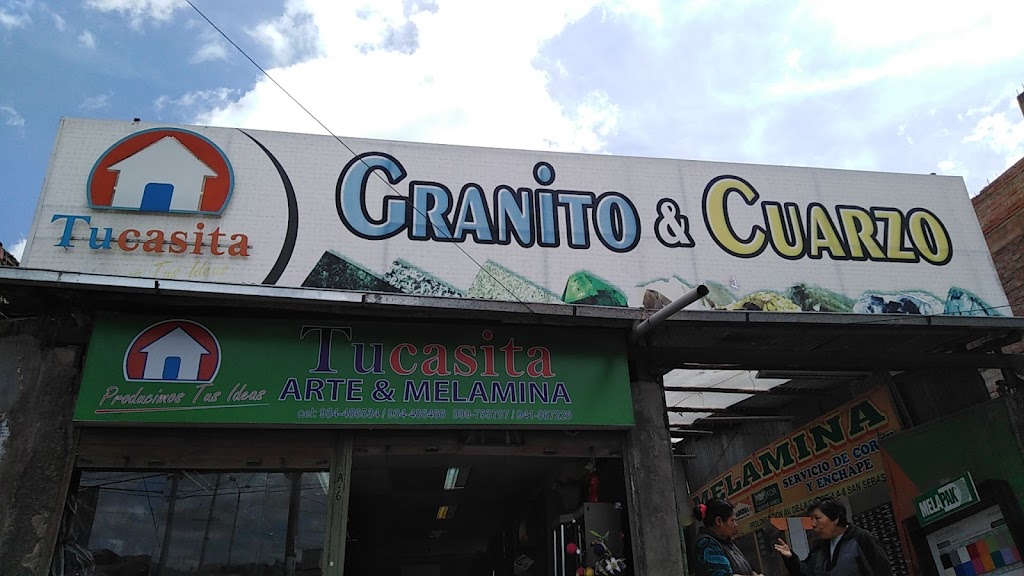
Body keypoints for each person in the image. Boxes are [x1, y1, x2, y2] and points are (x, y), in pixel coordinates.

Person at [773, 497, 892, 576]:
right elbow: (807, 573)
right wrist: (791, 558)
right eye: (812, 519)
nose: (813, 524)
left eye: (817, 518)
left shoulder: (861, 539)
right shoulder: (819, 548)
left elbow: (882, 571)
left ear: (835, 518)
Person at [692, 498, 762, 576]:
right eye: (732, 520)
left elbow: (747, 570)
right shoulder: (706, 544)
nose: (735, 525)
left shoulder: (726, 542)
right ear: (719, 521)